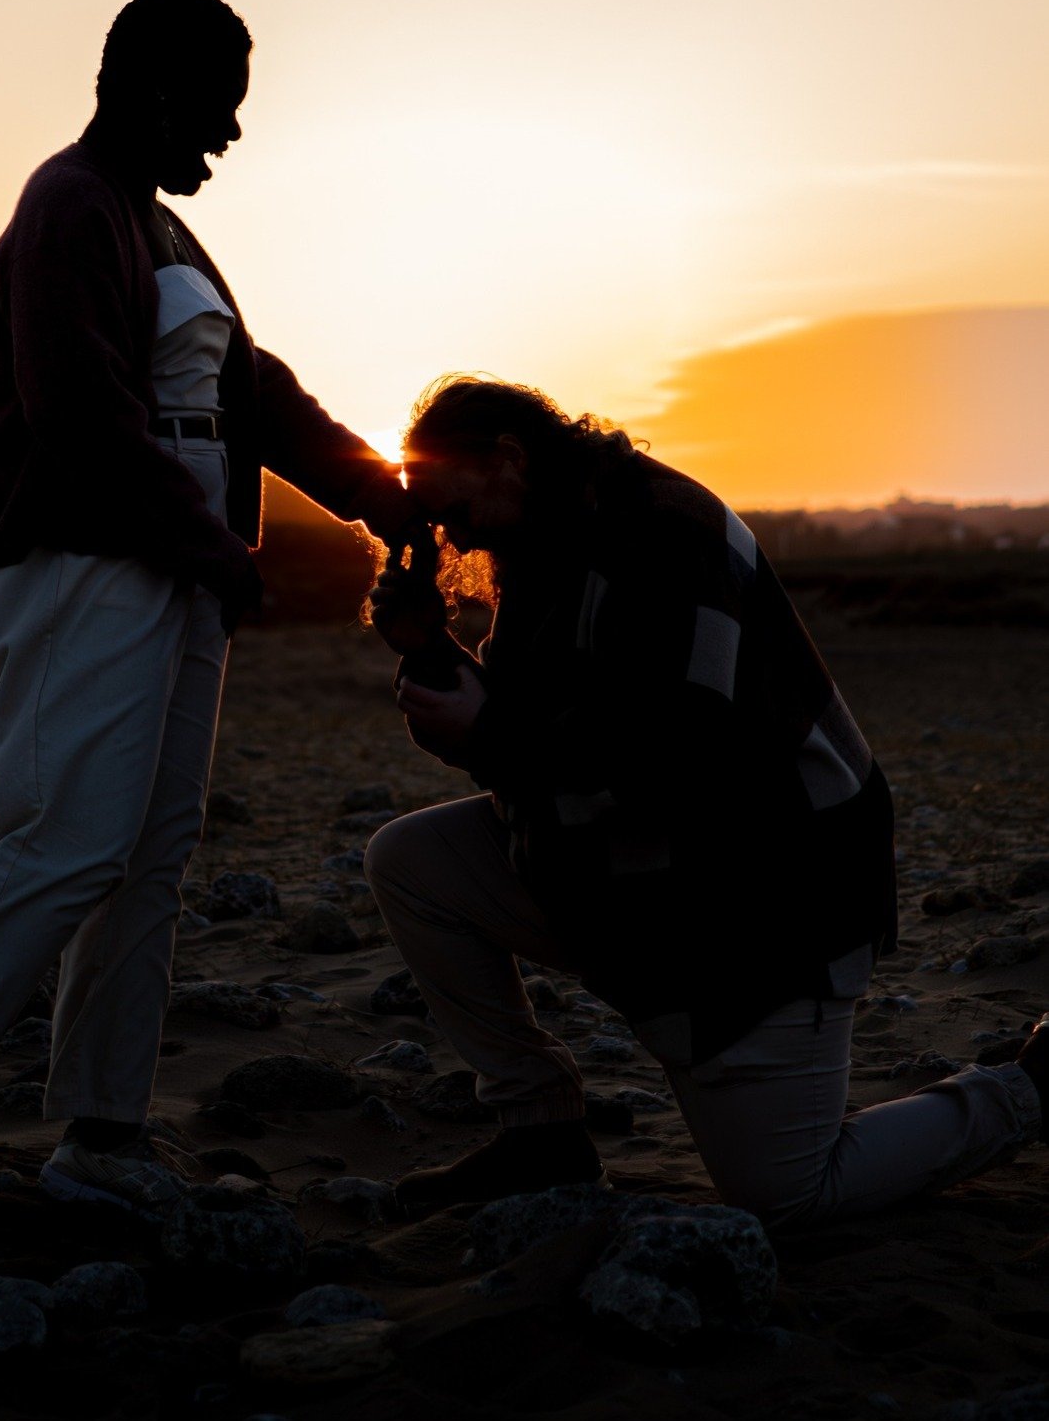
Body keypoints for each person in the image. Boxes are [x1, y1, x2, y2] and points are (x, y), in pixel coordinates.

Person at [0, 0, 413, 1245]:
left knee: (144, 855)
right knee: (65, 844)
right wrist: (211, 545)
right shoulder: (67, 210)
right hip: (84, 560)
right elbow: (81, 419)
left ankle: (101, 1136)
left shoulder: (164, 232)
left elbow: (256, 399)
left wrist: (386, 500)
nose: (231, 137)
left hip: (172, 570)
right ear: (152, 91)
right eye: (219, 109)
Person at [365, 375, 1047, 1226]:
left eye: (455, 509)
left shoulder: (659, 533)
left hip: (764, 891)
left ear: (507, 457)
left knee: (786, 1192)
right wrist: (430, 648)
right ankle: (540, 1132)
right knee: (412, 863)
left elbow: (675, 759)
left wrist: (491, 738)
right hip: (638, 874)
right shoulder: (545, 543)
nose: (449, 534)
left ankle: (1030, 1089)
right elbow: (542, 734)